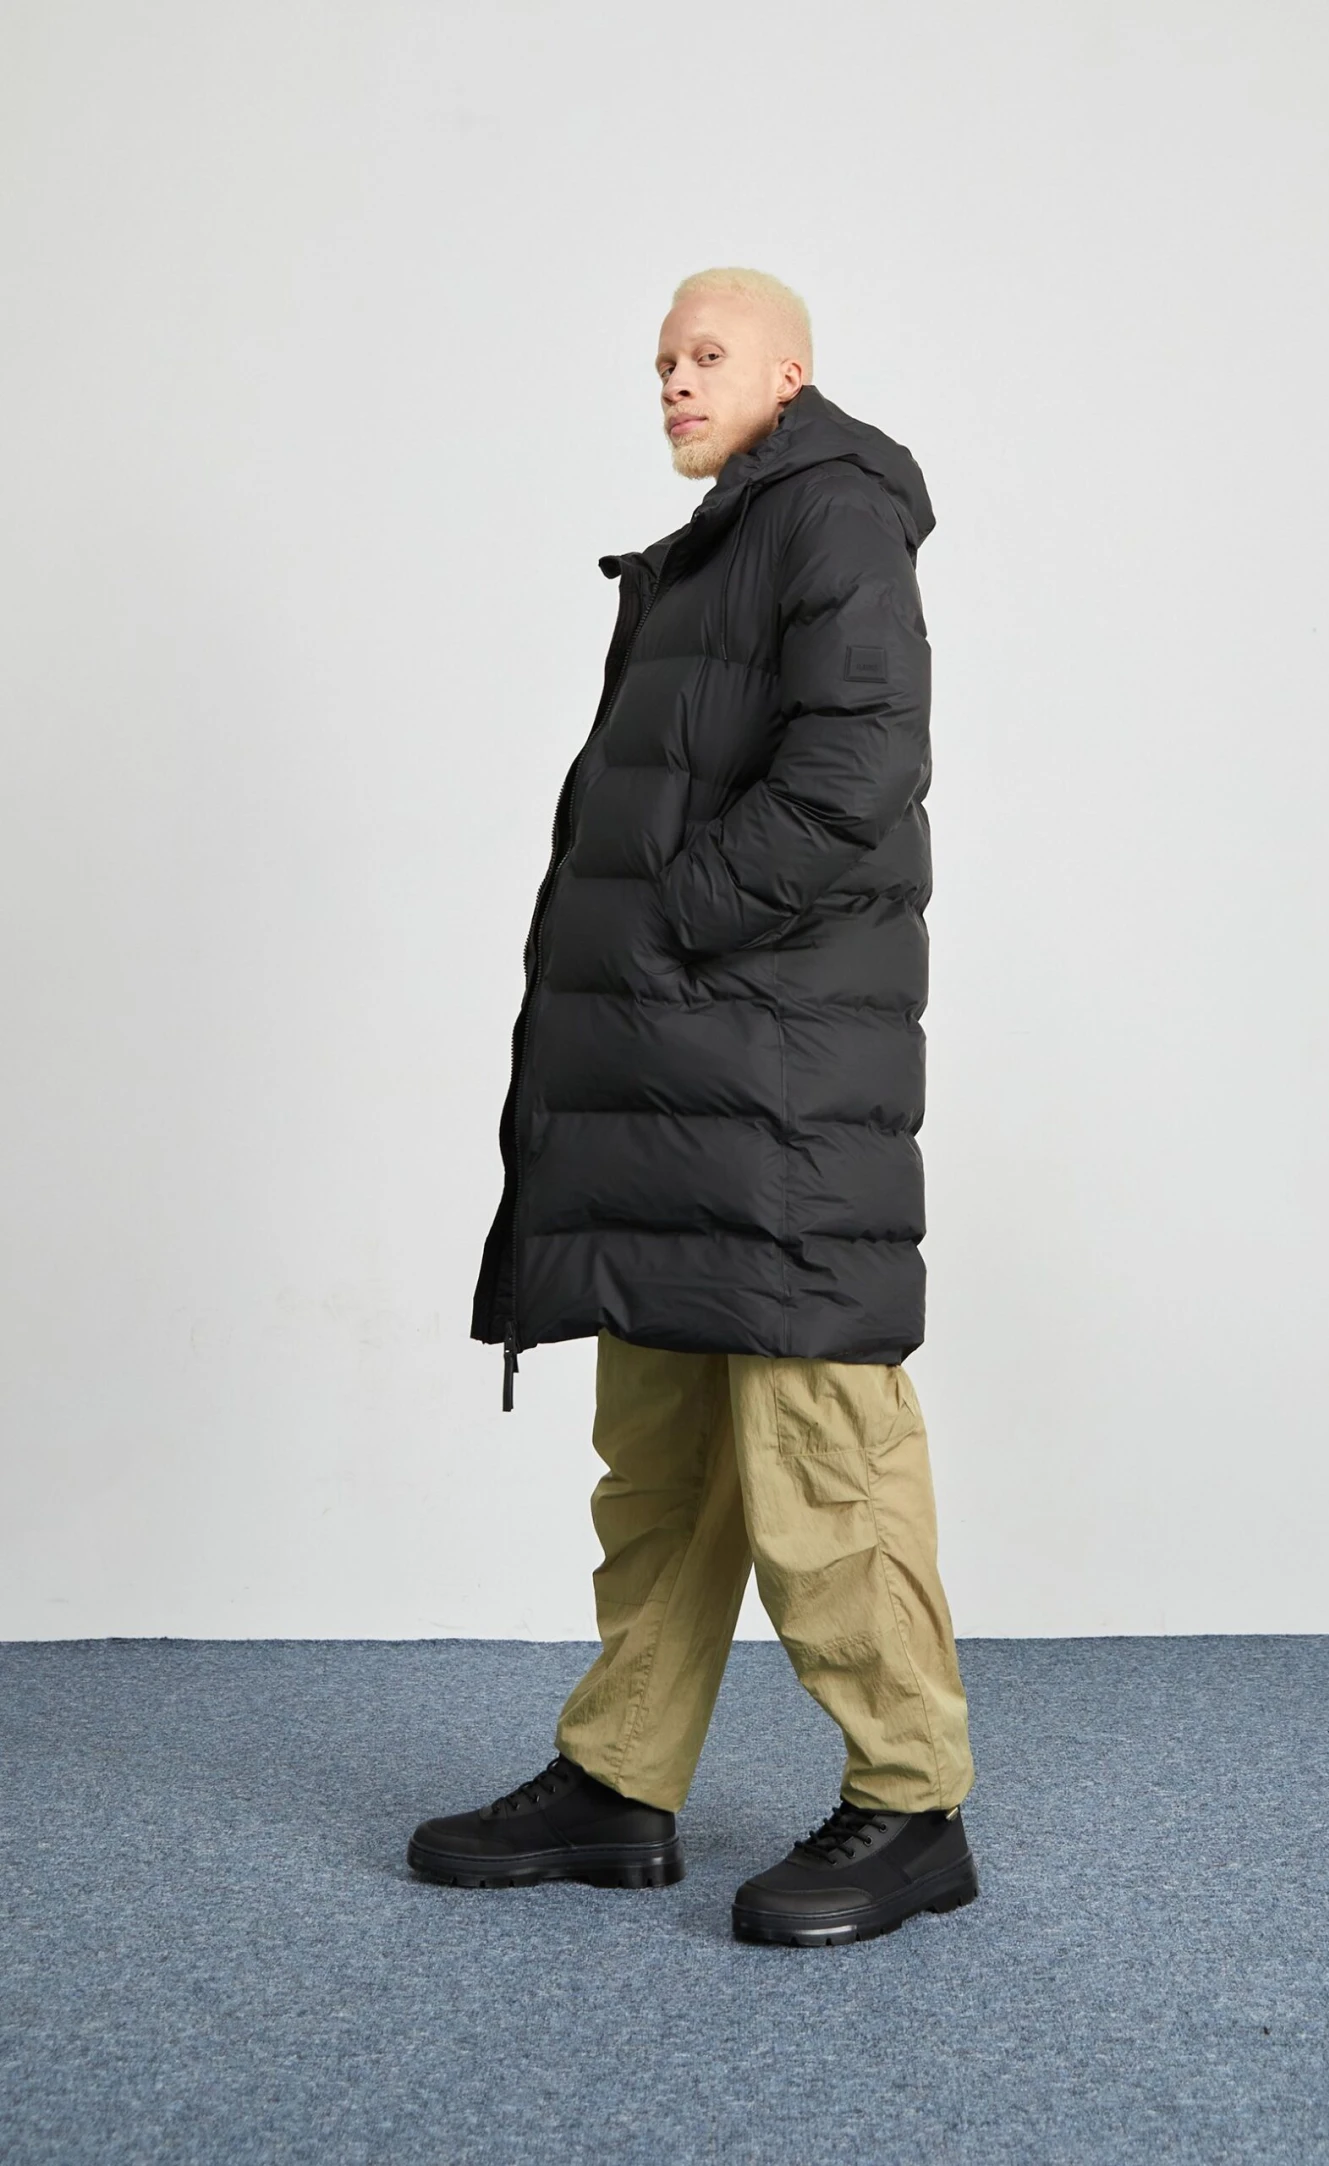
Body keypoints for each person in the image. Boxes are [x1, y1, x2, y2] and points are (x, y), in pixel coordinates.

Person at [409, 267, 977, 1946]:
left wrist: (674, 916)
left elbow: (858, 765)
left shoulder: (830, 512)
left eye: (707, 352)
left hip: (777, 1092)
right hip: (686, 1087)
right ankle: (620, 1777)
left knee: (821, 1460)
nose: (673, 378)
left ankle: (913, 1803)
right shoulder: (722, 539)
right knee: (660, 1458)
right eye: (662, 358)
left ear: (790, 373)